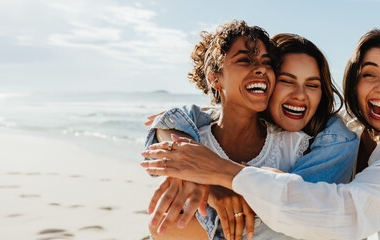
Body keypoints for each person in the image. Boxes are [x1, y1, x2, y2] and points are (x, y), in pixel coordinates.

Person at [141, 28, 380, 240]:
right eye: (369, 75)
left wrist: (226, 174)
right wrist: (199, 173)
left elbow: (343, 215)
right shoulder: (348, 128)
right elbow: (184, 117)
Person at [144, 24, 359, 240]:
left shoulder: (309, 145)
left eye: (267, 63)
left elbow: (293, 204)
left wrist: (211, 178)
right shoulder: (194, 133)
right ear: (214, 78)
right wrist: (194, 173)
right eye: (286, 80)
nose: (260, 69)